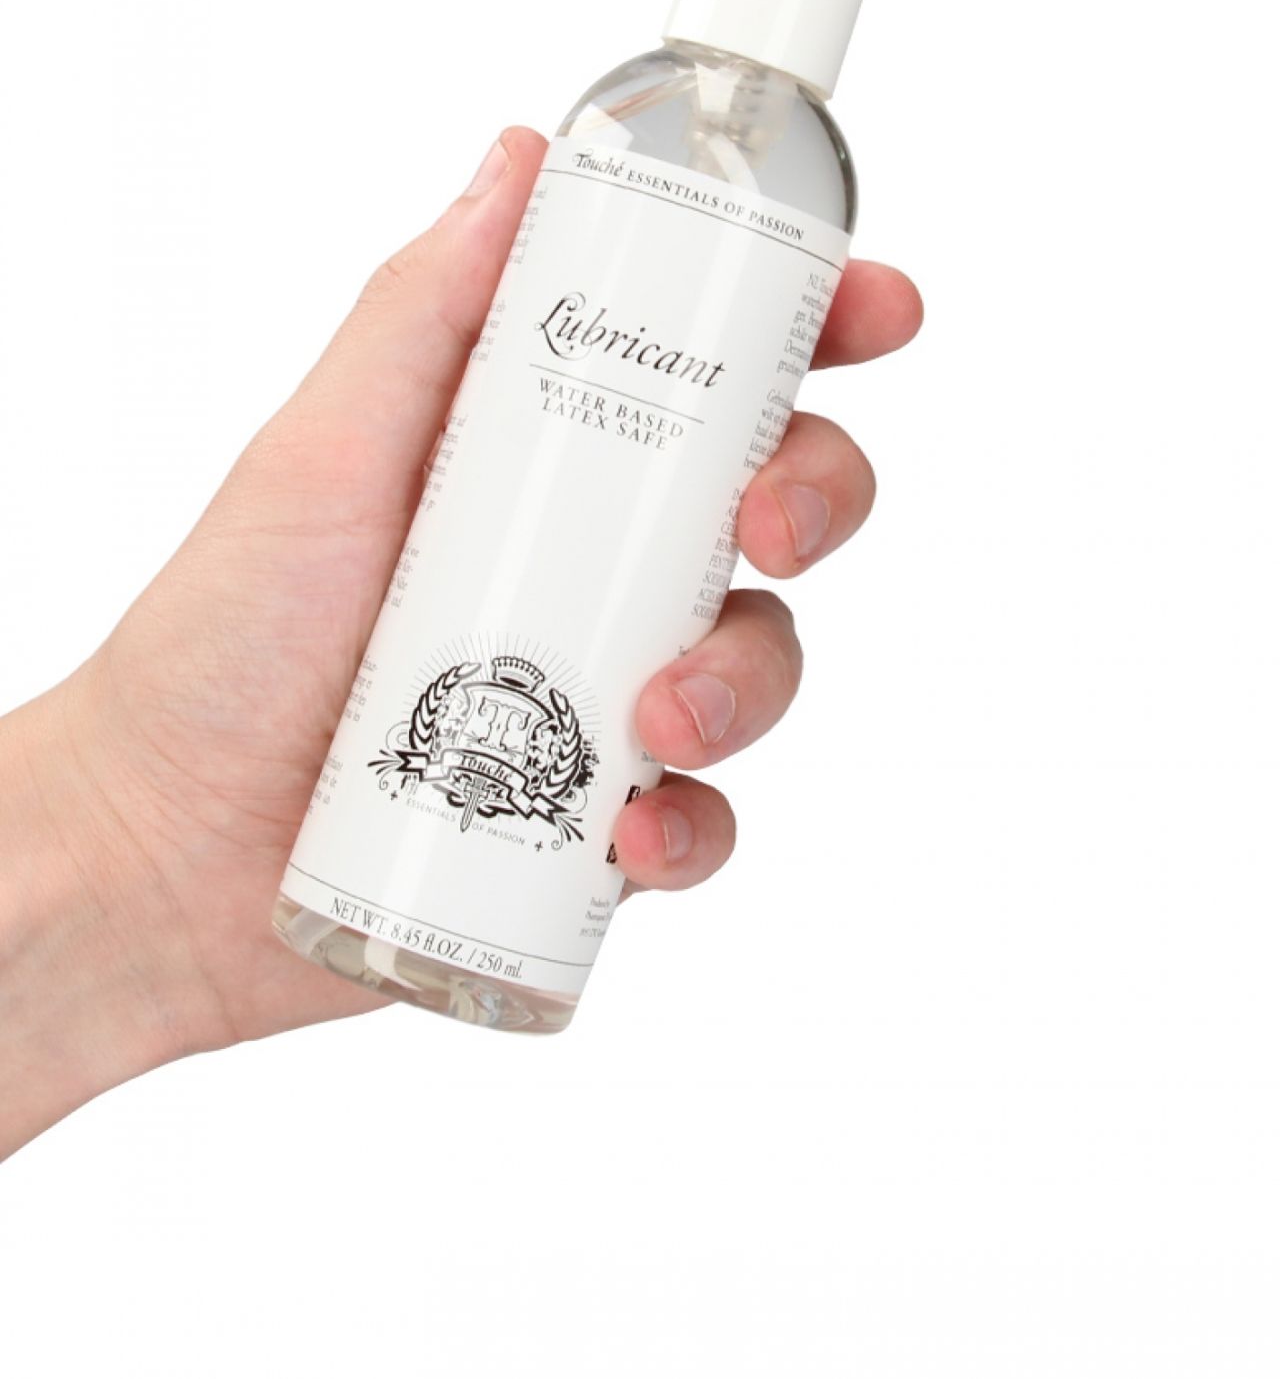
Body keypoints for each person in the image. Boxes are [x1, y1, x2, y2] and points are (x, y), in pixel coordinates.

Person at [0, 128, 922, 1158]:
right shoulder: (628, 124)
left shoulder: (782, 163)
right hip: (332, 874)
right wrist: (116, 822)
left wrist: (117, 862)